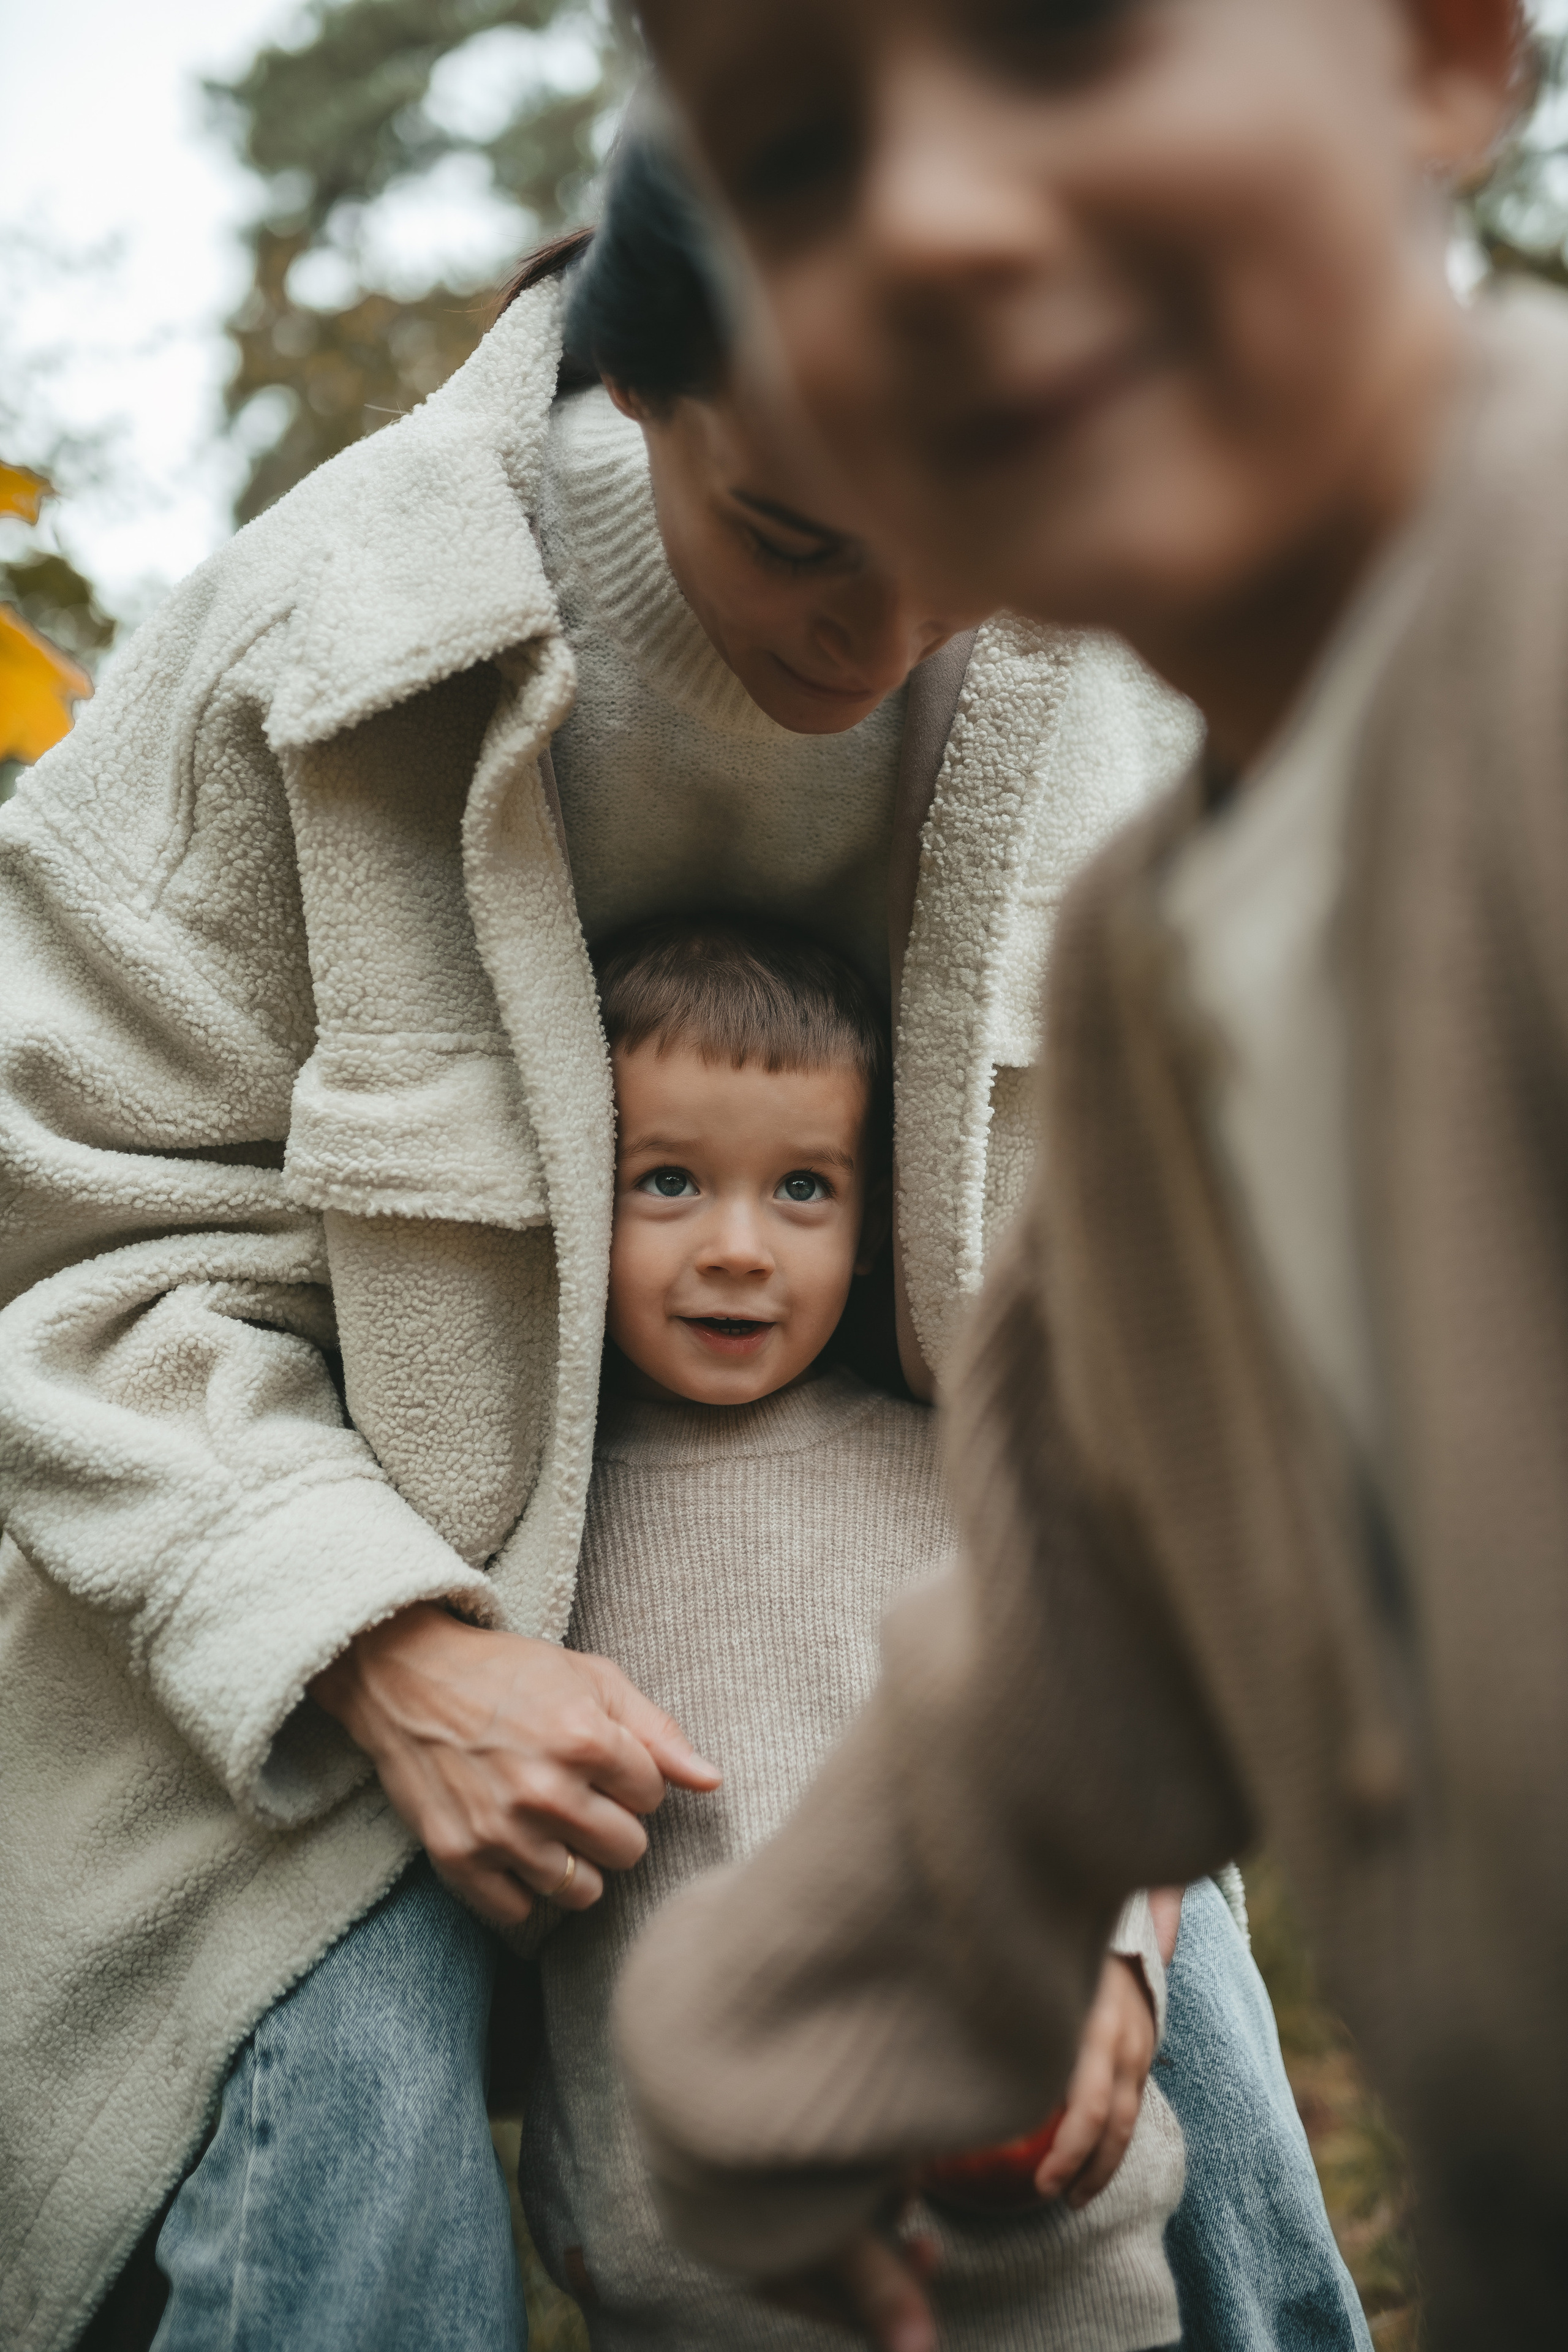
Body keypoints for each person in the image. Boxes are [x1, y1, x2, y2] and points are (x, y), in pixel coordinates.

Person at [0, 127, 1340, 2352]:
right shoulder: (307, 636)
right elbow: (59, 1236)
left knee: (1186, 2104)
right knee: (332, 2121)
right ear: (642, 384)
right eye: (802, 535)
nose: (883, 627)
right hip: (306, 1585)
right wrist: (383, 1652)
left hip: (952, 1604)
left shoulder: (1125, 671)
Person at [614, 1, 1568, 2343]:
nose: (926, 218)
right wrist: (751, 2082)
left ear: (1446, 54)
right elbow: (1072, 1657)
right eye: (805, 160)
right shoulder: (1153, 980)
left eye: (1061, 37)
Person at [520, 911, 1182, 2351]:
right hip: (707, 2277)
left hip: (1050, 2246)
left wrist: (1119, 1951)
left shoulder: (948, 1473)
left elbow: (1110, 1738)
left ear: (878, 1215)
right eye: (671, 1182)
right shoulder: (531, 1530)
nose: (741, 1250)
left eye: (803, 1188)